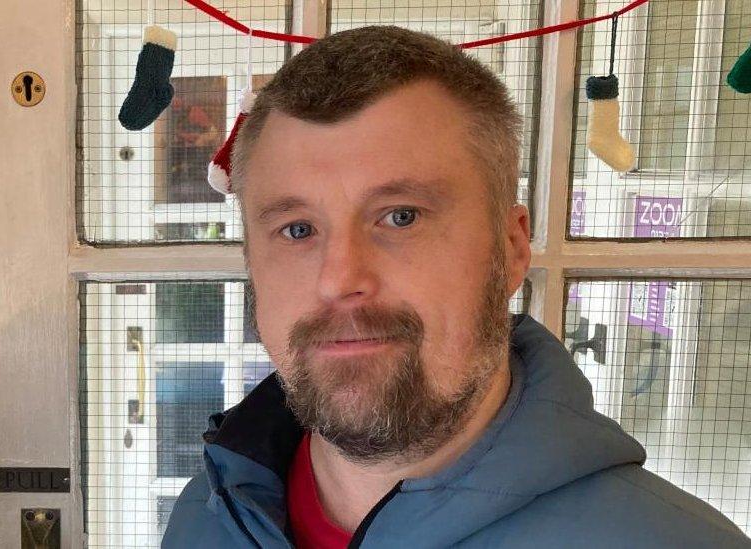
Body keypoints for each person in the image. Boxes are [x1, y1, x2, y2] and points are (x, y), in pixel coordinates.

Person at [162, 26, 750, 548]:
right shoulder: (205, 520)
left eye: (401, 216)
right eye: (297, 229)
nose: (340, 279)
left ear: (512, 248)